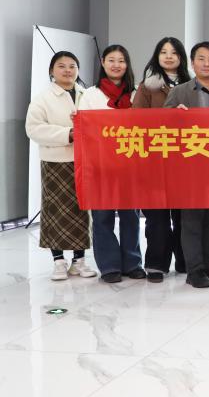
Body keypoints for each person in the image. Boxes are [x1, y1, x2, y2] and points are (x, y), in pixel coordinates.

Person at [165, 41, 209, 289]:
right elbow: (162, 126)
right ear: (192, 63)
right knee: (192, 220)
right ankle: (194, 270)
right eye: (201, 59)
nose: (206, 64)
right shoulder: (179, 92)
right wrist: (175, 116)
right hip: (190, 167)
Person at [26, 51, 98, 281]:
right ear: (51, 71)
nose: (68, 70)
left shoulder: (87, 95)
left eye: (72, 66)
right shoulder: (43, 98)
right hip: (56, 161)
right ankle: (58, 261)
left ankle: (79, 261)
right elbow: (33, 128)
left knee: (82, 211)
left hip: (84, 161)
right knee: (55, 211)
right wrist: (68, 133)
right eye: (61, 66)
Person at [79, 45, 145, 283]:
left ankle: (132, 263)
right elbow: (84, 128)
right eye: (111, 60)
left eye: (121, 61)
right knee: (102, 216)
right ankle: (109, 266)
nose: (116, 65)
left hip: (130, 162)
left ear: (127, 65)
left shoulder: (137, 93)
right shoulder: (91, 94)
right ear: (103, 63)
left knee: (131, 216)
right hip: (101, 164)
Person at [134, 37, 190, 282]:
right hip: (154, 160)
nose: (168, 56)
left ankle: (185, 260)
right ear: (156, 56)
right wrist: (168, 116)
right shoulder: (147, 87)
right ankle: (156, 264)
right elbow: (136, 121)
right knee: (157, 217)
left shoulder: (191, 85)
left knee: (184, 216)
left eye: (174, 52)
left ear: (181, 57)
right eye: (163, 52)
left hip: (185, 160)